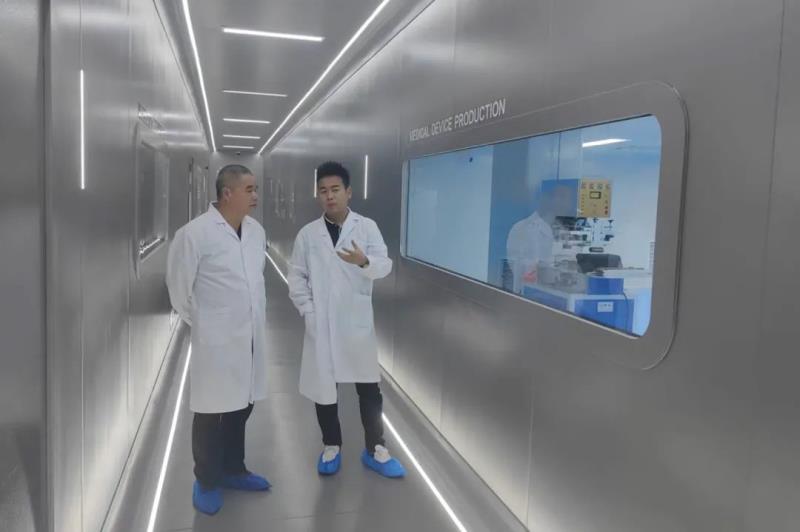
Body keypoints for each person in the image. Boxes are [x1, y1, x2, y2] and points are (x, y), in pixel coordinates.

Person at [288, 161, 406, 479]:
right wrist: (308, 311)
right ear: (318, 195)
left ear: (349, 192)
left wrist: (364, 261)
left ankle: (376, 448)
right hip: (321, 323)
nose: (329, 196)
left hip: (356, 323)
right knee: (324, 388)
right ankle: (331, 445)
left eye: (335, 189)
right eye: (323, 191)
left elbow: (384, 265)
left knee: (369, 389)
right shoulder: (307, 235)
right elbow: (296, 277)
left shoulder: (366, 228)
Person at [166, 164, 270, 515]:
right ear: (228, 193)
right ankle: (207, 479)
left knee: (243, 404)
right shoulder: (194, 234)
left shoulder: (256, 231)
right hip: (215, 338)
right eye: (249, 189)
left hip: (251, 334)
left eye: (255, 189)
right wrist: (207, 323)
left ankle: (233, 469)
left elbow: (255, 280)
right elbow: (179, 290)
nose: (255, 196)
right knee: (211, 410)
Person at [505, 182, 573, 294]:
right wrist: (546, 271)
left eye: (569, 199)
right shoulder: (523, 228)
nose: (567, 203)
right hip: (529, 295)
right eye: (562, 197)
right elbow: (518, 267)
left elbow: (570, 265)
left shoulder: (564, 231)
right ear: (547, 198)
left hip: (559, 295)